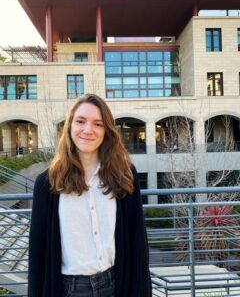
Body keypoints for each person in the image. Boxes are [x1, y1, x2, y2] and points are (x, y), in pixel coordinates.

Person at [28, 93, 152, 297]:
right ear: (69, 127)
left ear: (107, 131)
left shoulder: (124, 175)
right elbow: (38, 254)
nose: (88, 130)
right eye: (80, 121)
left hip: (116, 286)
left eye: (98, 124)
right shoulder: (47, 183)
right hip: (69, 290)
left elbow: (137, 242)